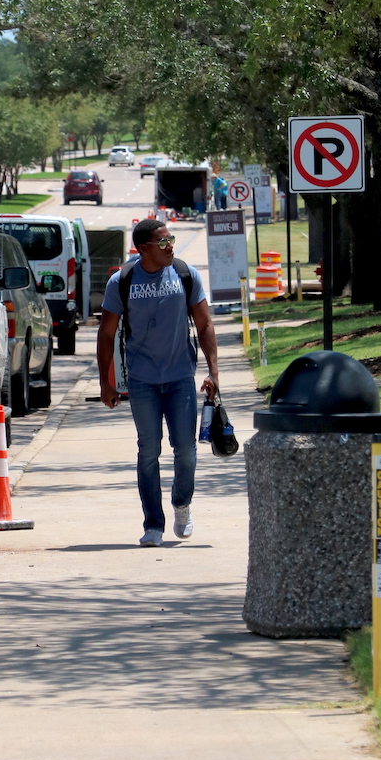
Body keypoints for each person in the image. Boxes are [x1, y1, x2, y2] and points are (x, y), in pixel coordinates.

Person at [97, 219, 219, 547]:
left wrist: (213, 372)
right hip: (142, 380)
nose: (170, 246)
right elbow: (106, 334)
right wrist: (105, 384)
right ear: (143, 249)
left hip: (180, 377)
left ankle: (182, 504)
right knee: (148, 451)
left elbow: (205, 324)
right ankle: (153, 524)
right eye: (163, 242)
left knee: (186, 451)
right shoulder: (121, 281)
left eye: (172, 240)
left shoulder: (184, 274)